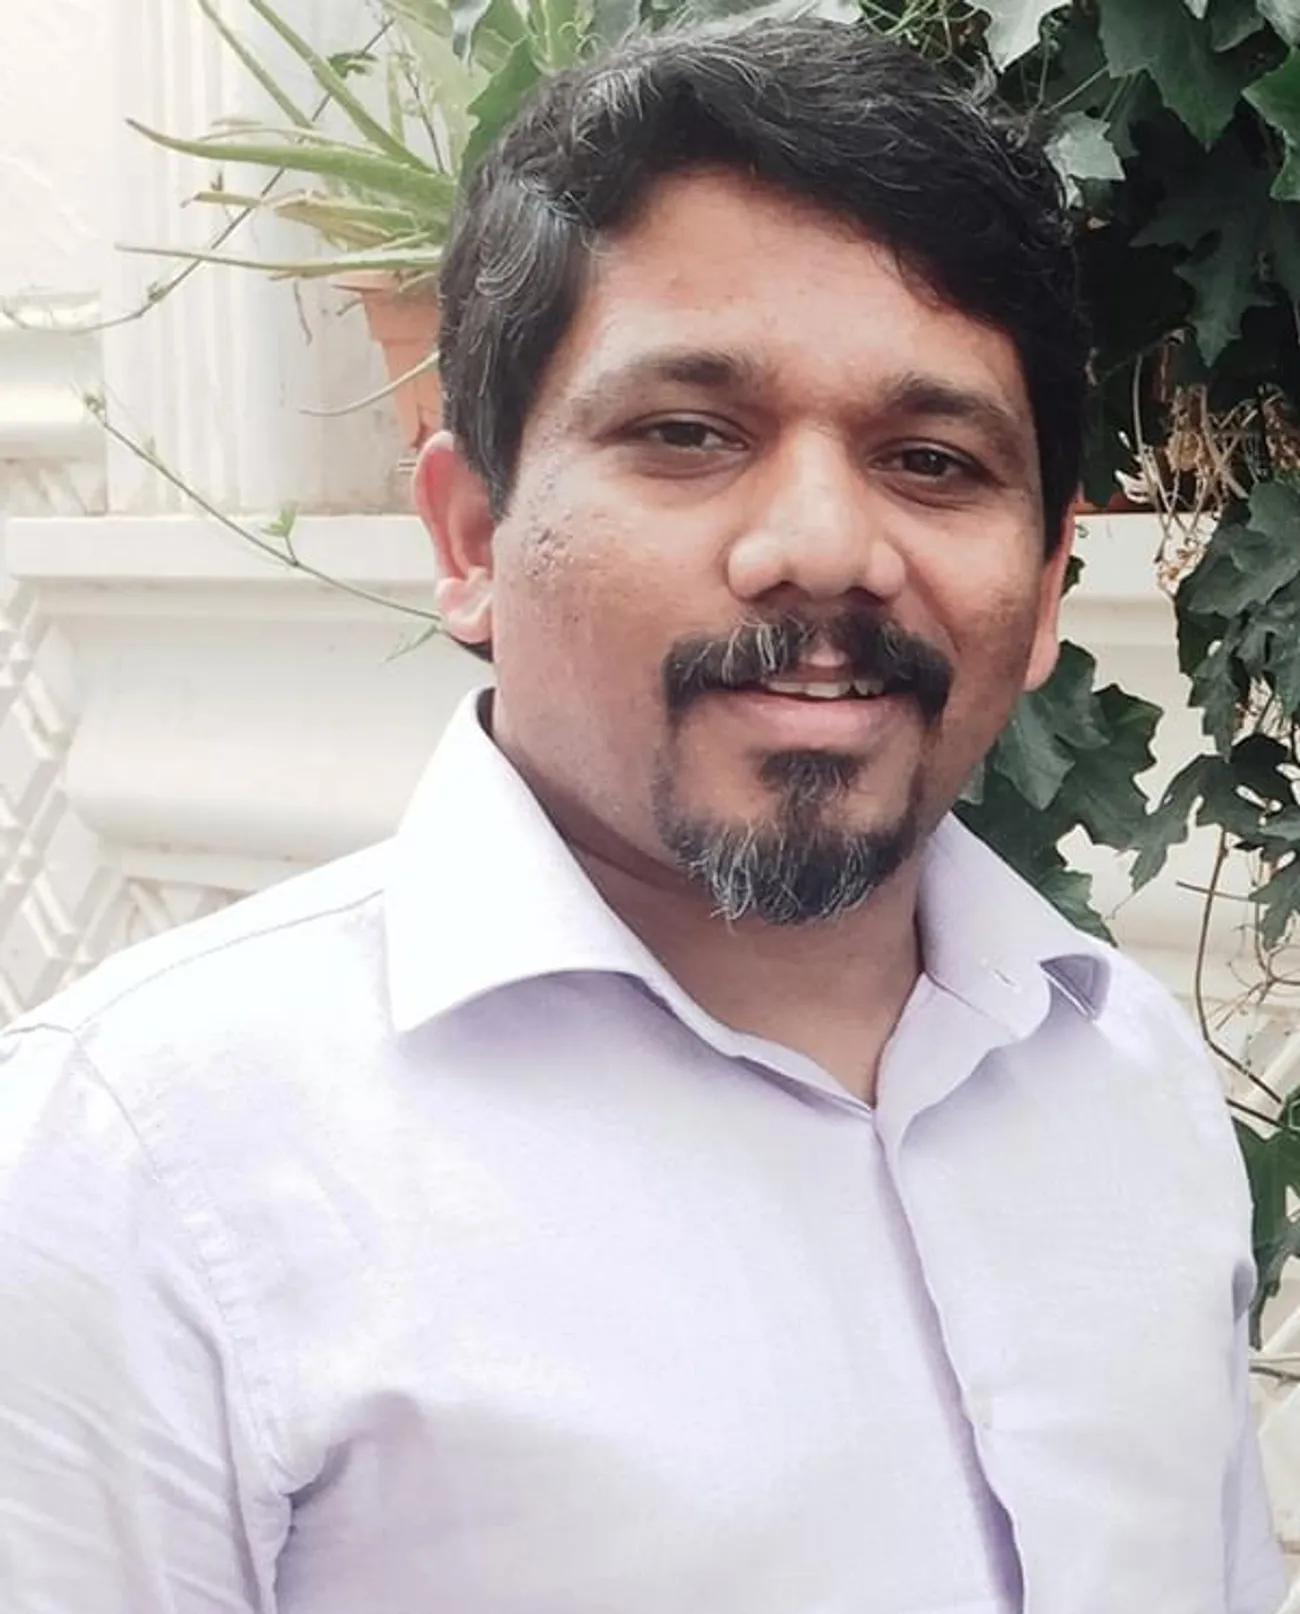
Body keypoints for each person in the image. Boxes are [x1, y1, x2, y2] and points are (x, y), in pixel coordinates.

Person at [0, 18, 1285, 1614]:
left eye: (931, 459)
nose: (826, 546)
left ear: (1043, 592)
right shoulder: (145, 1170)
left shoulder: (1128, 1083)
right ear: (470, 536)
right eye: (688, 434)